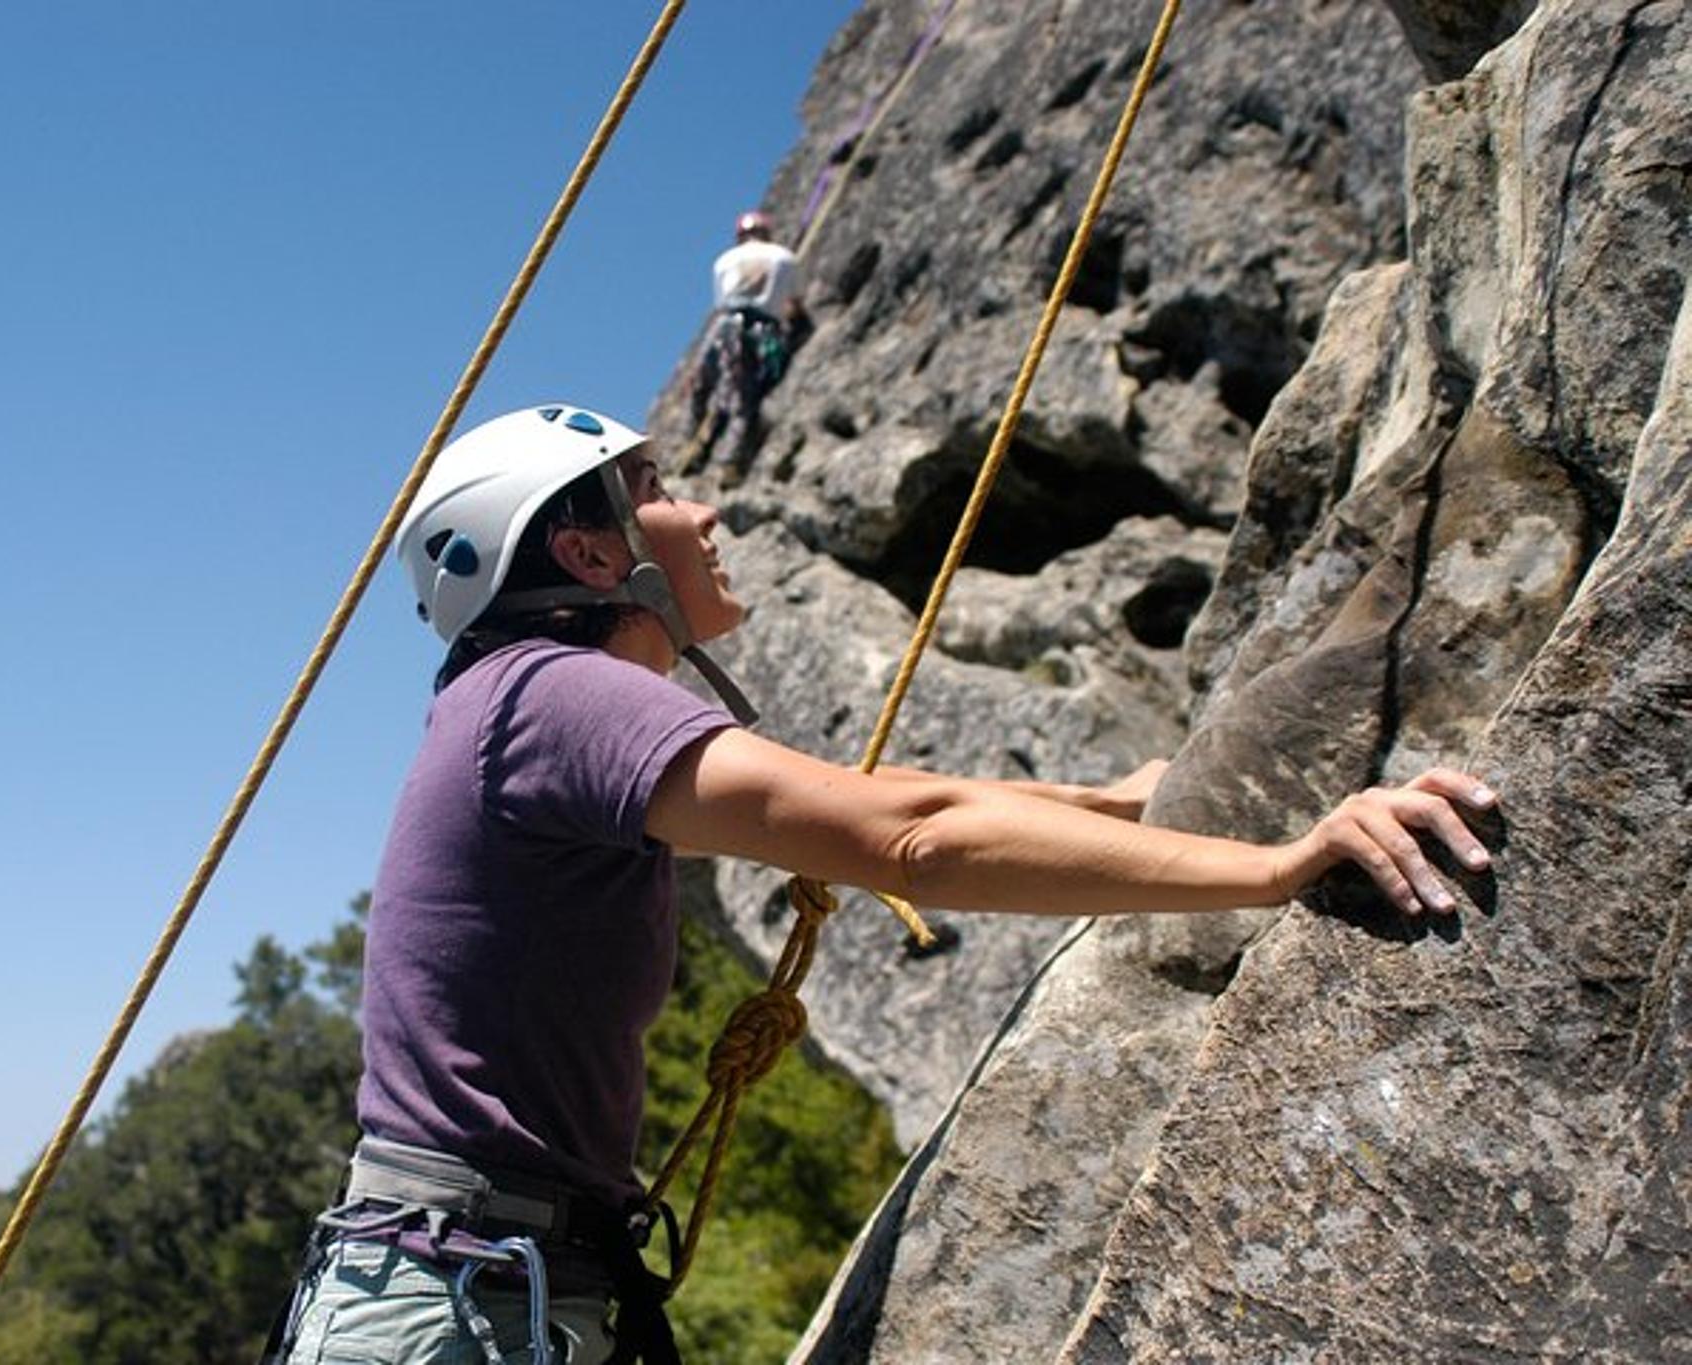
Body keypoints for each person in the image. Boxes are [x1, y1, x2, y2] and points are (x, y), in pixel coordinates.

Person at [261, 403, 1499, 1365]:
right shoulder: (554, 694)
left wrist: (1106, 804)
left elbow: (869, 802)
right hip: (465, 1302)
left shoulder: (518, 707)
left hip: (470, 1287)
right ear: (592, 554)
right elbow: (906, 838)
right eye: (655, 491)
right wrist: (1277, 869)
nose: (698, 511)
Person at [689, 211, 812, 485]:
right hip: (761, 330)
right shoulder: (784, 258)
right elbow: (795, 305)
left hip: (723, 328)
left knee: (701, 386)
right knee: (744, 398)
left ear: (740, 235)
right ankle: (730, 461)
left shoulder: (724, 261)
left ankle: (694, 439)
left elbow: (721, 303)